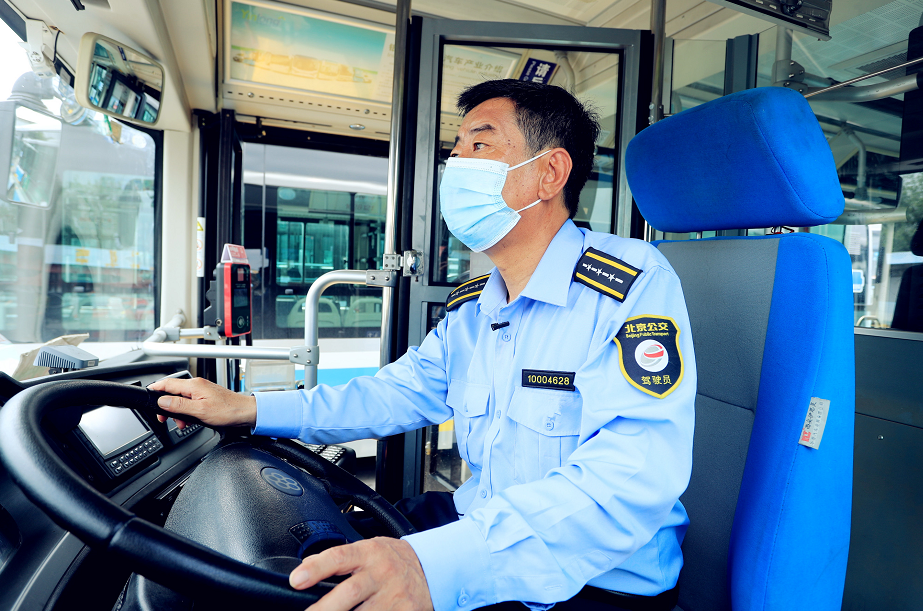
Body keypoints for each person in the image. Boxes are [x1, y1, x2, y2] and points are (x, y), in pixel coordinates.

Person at [151, 79, 696, 611]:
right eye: (455, 152)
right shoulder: (477, 305)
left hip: (597, 580)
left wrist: (434, 565)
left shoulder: (631, 285)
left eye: (480, 145)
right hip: (480, 518)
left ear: (549, 173)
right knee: (298, 561)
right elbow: (393, 394)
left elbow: (630, 475)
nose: (456, 166)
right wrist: (251, 410)